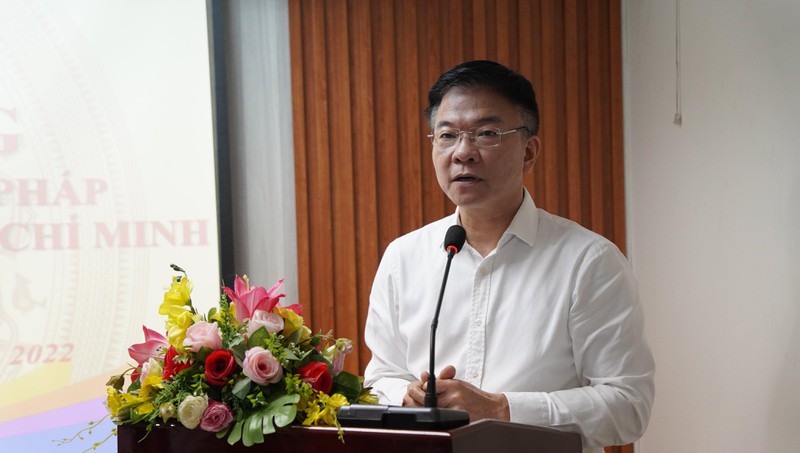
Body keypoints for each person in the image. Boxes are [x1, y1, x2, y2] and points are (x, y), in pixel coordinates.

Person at [362, 60, 655, 451]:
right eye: (447, 135)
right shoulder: (403, 258)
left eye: (486, 133)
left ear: (529, 152)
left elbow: (628, 406)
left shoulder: (588, 261)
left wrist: (502, 409)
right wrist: (407, 397)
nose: (462, 152)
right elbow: (379, 379)